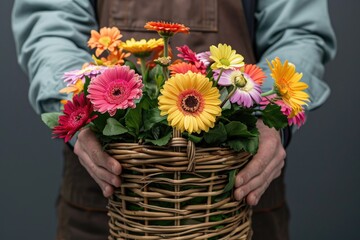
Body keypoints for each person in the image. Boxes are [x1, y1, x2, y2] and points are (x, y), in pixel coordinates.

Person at [12, 0, 336, 239]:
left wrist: (269, 117)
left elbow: (300, 33)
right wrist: (80, 113)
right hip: (104, 205)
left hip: (238, 200)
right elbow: (49, 26)